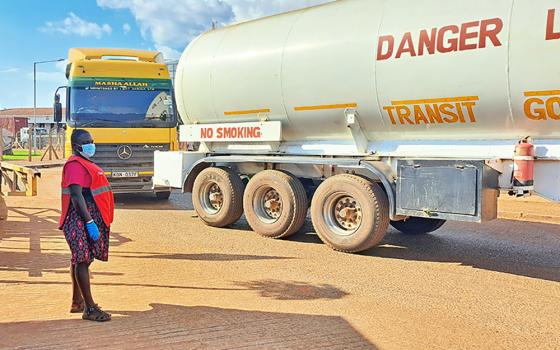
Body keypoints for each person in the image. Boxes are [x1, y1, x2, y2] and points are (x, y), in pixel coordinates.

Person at [60, 129, 114, 322]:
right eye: (86, 142)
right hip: (79, 217)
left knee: (80, 260)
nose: (91, 144)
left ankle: (77, 301)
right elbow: (76, 195)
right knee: (82, 260)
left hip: (88, 215)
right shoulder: (74, 165)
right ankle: (89, 308)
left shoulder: (85, 163)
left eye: (91, 140)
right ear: (77, 146)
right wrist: (89, 221)